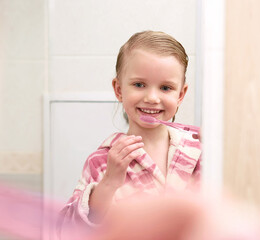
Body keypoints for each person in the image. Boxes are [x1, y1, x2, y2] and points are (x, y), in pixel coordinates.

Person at [57, 30, 202, 238]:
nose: (152, 97)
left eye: (165, 87)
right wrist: (108, 183)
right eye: (139, 85)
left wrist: (218, 150)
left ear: (180, 95)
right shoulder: (103, 162)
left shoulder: (198, 152)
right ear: (118, 89)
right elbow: (67, 231)